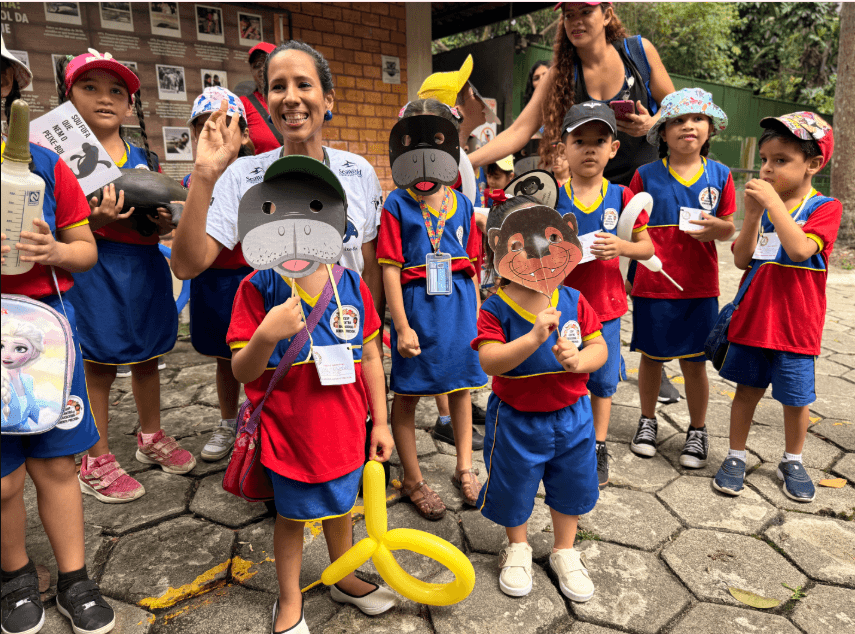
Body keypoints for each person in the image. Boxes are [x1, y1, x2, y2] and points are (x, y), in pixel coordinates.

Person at [227, 156, 396, 633]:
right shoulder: (255, 287)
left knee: (343, 506)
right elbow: (243, 369)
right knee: (293, 518)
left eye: (313, 211)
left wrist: (380, 421)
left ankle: (342, 577)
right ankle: (288, 600)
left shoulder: (352, 284)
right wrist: (266, 333)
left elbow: (369, 358)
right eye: (281, 213)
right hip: (289, 432)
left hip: (346, 429)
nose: (296, 228)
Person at [0, 40, 116, 633]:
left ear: (7, 86)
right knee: (2, 476)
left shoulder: (46, 163)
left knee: (56, 464)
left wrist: (55, 250)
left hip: (44, 332)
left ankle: (74, 578)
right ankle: (15, 576)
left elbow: (86, 250)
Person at [56, 50, 195, 503]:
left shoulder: (143, 157)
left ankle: (149, 435)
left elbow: (158, 219)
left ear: (130, 105)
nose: (105, 98)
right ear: (67, 96)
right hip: (94, 267)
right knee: (97, 363)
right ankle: (94, 458)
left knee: (147, 355)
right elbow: (58, 226)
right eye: (89, 87)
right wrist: (91, 220)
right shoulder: (58, 159)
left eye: (117, 90)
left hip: (143, 267)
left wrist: (162, 224)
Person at [474, 194, 607, 601]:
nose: (534, 251)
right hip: (516, 418)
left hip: (572, 415)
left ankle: (565, 550)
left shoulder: (574, 300)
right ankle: (517, 546)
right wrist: (533, 337)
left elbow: (600, 348)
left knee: (572, 482)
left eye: (545, 239)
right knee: (514, 484)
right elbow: (490, 362)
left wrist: (579, 360)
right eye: (518, 243)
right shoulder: (496, 307)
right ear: (499, 249)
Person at [714, 113, 839, 502]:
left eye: (781, 160)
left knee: (796, 398)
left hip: (796, 329)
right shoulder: (765, 210)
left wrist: (772, 205)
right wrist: (751, 215)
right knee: (746, 392)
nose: (768, 169)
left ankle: (793, 459)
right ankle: (736, 456)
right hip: (753, 323)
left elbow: (802, 249)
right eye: (765, 160)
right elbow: (741, 258)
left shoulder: (825, 208)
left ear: (813, 164)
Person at [377, 99, 488, 519]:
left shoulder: (460, 203)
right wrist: (401, 327)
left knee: (461, 388)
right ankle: (412, 479)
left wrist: (479, 319)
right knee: (406, 394)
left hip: (460, 308)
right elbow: (389, 269)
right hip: (417, 309)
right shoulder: (396, 204)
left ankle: (465, 468)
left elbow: (474, 269)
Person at [627, 88, 736, 467]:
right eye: (677, 120)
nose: (688, 126)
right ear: (662, 133)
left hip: (699, 287)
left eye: (697, 118)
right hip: (652, 285)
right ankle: (647, 420)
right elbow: (630, 230)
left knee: (695, 363)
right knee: (651, 358)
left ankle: (698, 429)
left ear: (710, 129)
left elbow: (731, 228)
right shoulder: (644, 176)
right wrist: (629, 275)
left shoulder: (722, 175)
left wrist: (718, 228)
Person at [556, 102, 654, 486]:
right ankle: (564, 438)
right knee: (561, 372)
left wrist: (622, 247)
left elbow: (646, 248)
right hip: (560, 307)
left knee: (601, 383)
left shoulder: (622, 196)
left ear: (614, 147)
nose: (590, 149)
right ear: (564, 146)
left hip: (606, 308)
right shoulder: (553, 197)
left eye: (600, 140)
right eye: (579, 140)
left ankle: (597, 445)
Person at [417, 56, 499, 450]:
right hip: (441, 265)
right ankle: (447, 415)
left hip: (461, 261)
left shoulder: (464, 155)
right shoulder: (448, 162)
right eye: (470, 91)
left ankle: (457, 402)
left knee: (456, 337)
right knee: (441, 334)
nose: (476, 98)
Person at [179, 88, 253, 462]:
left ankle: (259, 421)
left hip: (250, 278)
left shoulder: (257, 176)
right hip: (210, 281)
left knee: (260, 353)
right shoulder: (195, 182)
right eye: (206, 126)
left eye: (228, 126)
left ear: (244, 135)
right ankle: (228, 421)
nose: (216, 133)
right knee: (225, 357)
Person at [238, 42, 282, 155]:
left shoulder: (292, 99)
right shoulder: (243, 104)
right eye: (256, 65)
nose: (261, 69)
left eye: (266, 63)